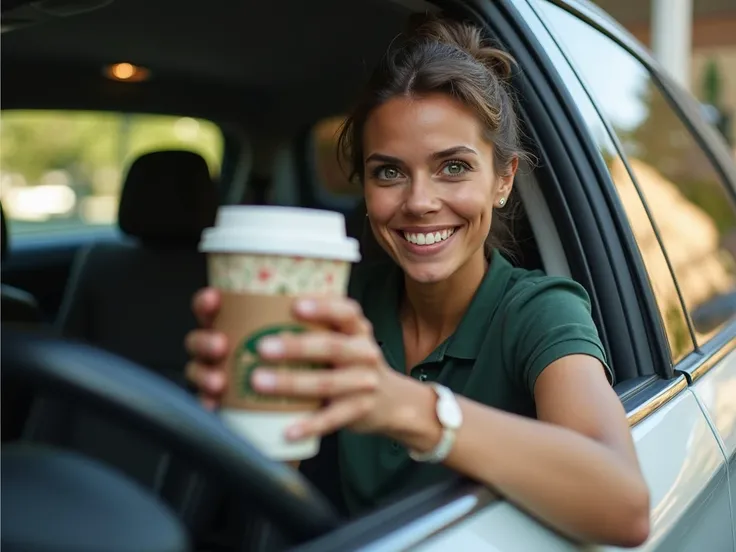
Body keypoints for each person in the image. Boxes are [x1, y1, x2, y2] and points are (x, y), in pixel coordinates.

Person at [185, 16, 650, 547]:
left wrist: (410, 408)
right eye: (389, 172)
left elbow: (626, 507)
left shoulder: (540, 311)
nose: (419, 202)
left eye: (453, 167)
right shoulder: (338, 304)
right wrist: (250, 400)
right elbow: (283, 476)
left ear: (503, 180)